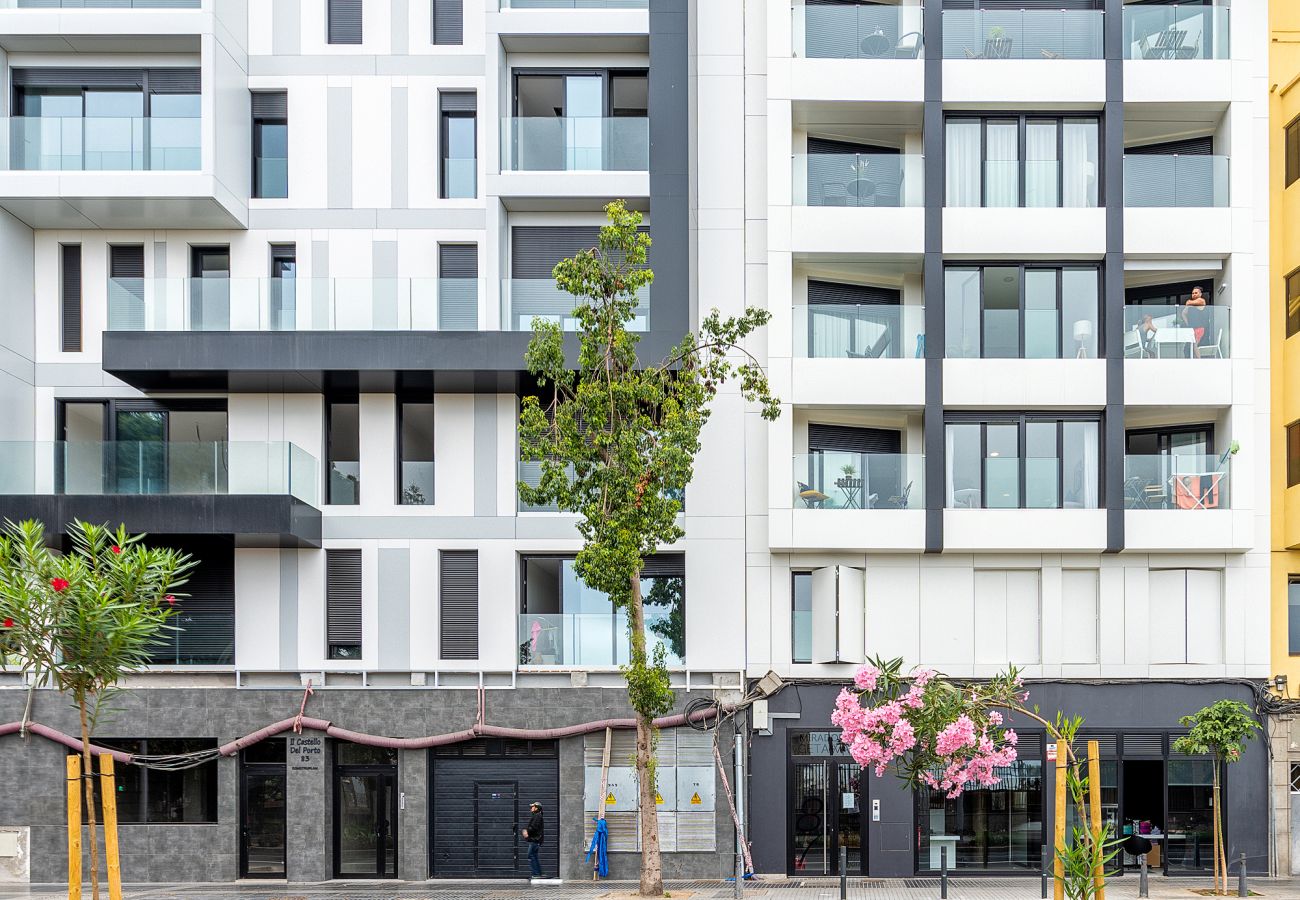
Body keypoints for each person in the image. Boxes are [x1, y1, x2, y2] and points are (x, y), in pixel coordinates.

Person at [1179, 285, 1208, 351]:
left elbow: (1189, 303)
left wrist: (1189, 303)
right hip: (1192, 329)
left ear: (1200, 294)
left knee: (1194, 346)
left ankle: (1198, 360)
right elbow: (1183, 313)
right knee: (1188, 348)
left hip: (1199, 328)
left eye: (1196, 293)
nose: (1194, 294)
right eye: (1193, 293)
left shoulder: (1201, 300)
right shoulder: (1192, 305)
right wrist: (1188, 323)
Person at [523, 800, 545, 879]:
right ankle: (538, 873)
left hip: (535, 840)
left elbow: (534, 827)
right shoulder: (537, 816)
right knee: (534, 856)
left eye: (532, 807)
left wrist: (527, 831)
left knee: (531, 855)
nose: (531, 808)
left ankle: (536, 874)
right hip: (535, 840)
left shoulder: (537, 816)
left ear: (536, 808)